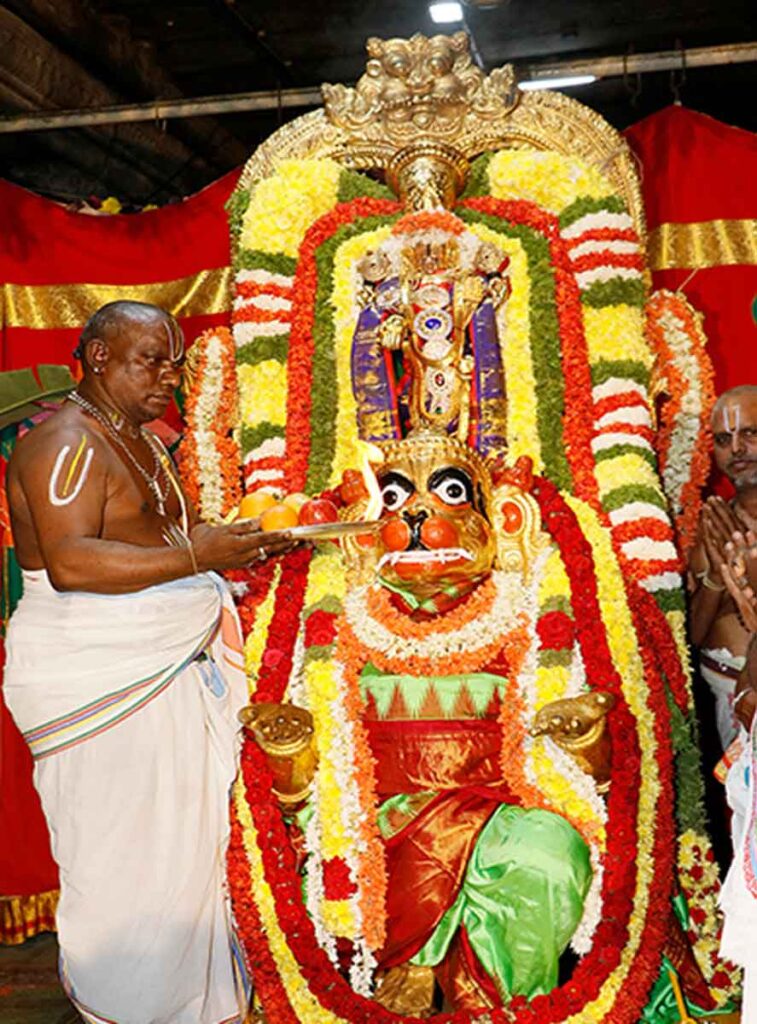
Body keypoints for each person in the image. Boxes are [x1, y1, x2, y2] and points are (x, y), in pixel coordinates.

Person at [3, 300, 293, 1024]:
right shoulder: (63, 442)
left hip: (153, 662)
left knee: (185, 856)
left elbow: (164, 534)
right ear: (99, 358)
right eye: (151, 361)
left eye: (175, 362)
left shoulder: (137, 438)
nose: (170, 376)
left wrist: (248, 539)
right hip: (99, 670)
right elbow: (71, 561)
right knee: (128, 864)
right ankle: (131, 1009)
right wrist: (201, 556)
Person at [689, 385, 757, 750]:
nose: (737, 449)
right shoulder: (710, 526)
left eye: (750, 433)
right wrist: (716, 575)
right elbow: (696, 637)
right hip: (723, 699)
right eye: (723, 439)